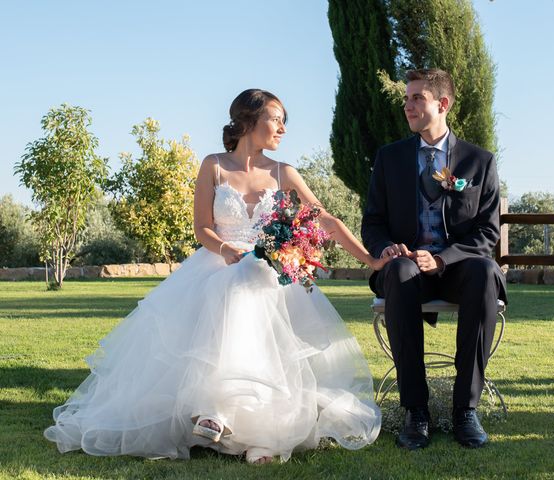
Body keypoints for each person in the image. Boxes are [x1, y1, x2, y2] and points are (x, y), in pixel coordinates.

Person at [44, 89, 388, 464]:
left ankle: (256, 434)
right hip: (218, 263)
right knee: (235, 285)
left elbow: (327, 221)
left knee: (251, 284)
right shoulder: (213, 165)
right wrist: (225, 250)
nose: (283, 128)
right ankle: (214, 412)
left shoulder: (282, 172)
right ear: (248, 121)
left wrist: (372, 260)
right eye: (276, 118)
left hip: (267, 271)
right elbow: (202, 228)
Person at [362, 68, 507, 450]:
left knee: (485, 270)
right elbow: (373, 222)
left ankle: (465, 410)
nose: (407, 106)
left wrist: (442, 260)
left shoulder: (480, 161)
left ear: (442, 105)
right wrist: (387, 248)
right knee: (401, 270)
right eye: (406, 99)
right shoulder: (390, 158)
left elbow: (487, 234)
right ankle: (415, 410)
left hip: (458, 268)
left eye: (416, 99)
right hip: (406, 267)